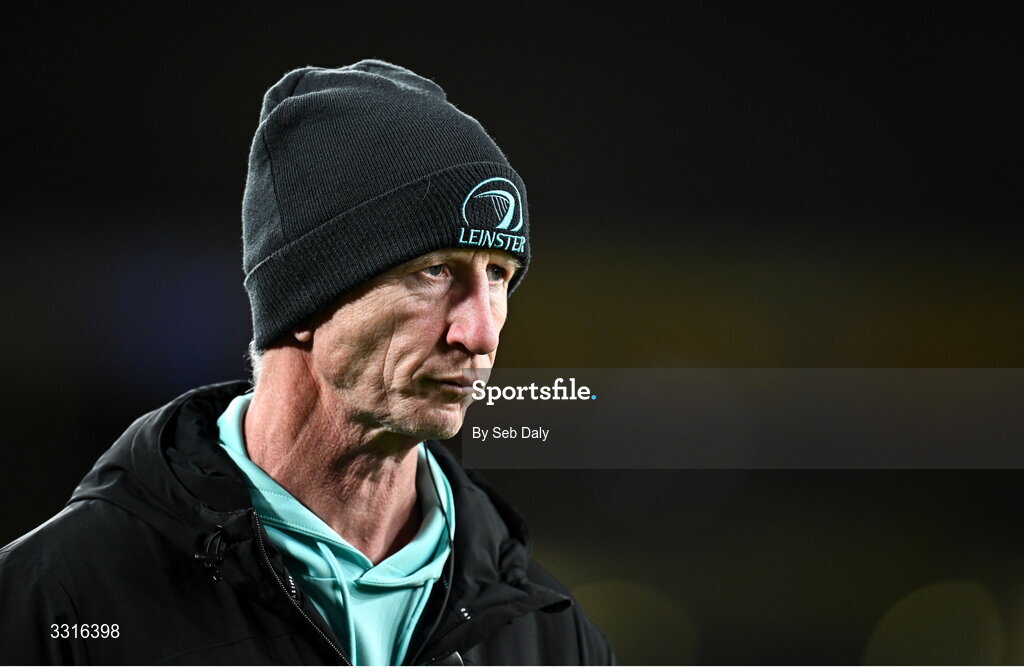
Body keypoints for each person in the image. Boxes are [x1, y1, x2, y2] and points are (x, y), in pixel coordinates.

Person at [0, 60, 613, 665]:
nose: (479, 334)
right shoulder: (56, 604)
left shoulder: (551, 638)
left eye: (499, 277)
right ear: (304, 295)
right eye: (434, 271)